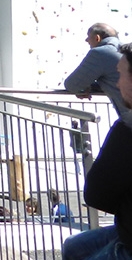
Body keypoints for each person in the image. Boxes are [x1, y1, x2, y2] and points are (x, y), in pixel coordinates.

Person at [62, 41, 132, 260]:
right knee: (72, 246)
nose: (117, 83)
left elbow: (96, 196)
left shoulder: (127, 129)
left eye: (121, 75)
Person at [64, 22, 127, 118]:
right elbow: (115, 79)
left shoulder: (100, 53)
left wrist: (83, 88)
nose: (86, 40)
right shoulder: (126, 50)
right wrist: (94, 87)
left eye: (88, 36)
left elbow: (72, 85)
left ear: (97, 38)